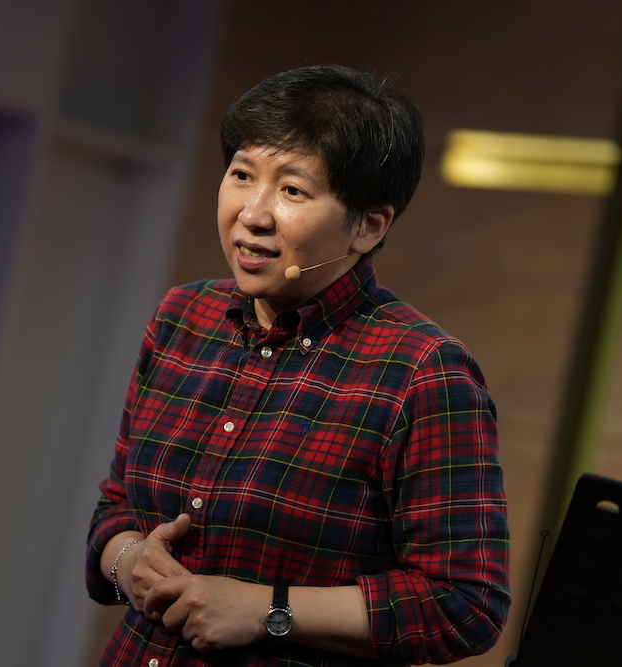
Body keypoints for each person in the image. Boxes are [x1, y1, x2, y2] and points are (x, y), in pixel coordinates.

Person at [86, 63, 510, 666]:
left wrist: (267, 611)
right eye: (241, 175)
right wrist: (129, 561)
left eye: (292, 190)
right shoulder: (183, 317)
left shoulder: (423, 372)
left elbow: (466, 605)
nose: (253, 214)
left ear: (368, 226)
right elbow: (116, 507)